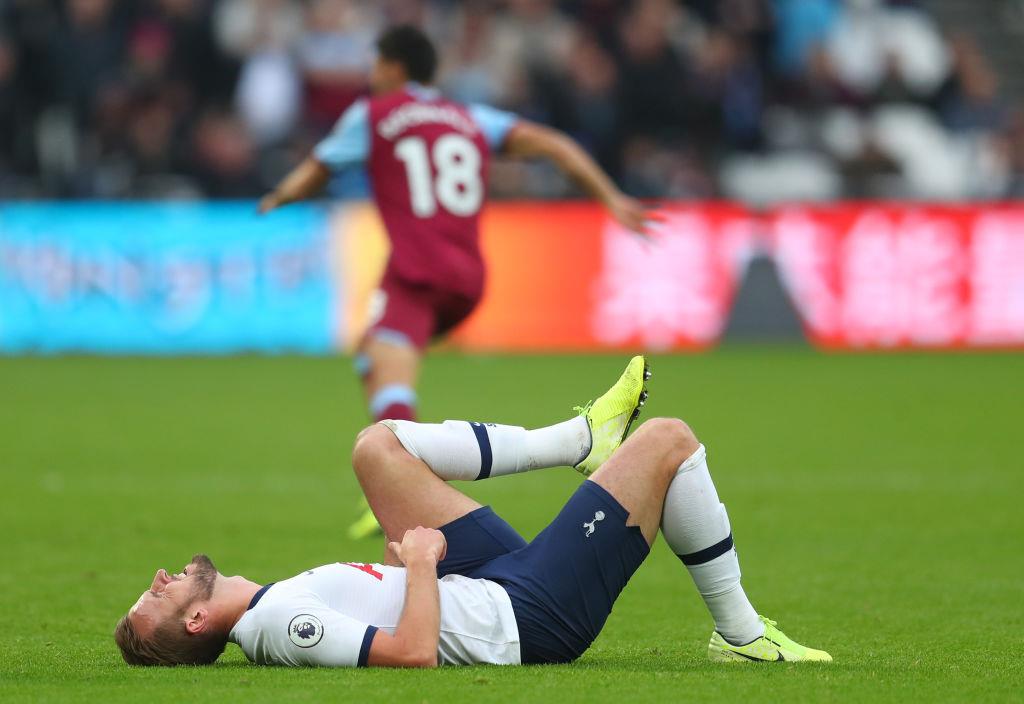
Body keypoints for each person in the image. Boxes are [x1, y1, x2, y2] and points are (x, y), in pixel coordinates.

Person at [114, 357, 831, 667]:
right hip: (525, 616)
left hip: (480, 580)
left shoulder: (268, 609)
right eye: (159, 598)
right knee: (670, 441)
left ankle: (578, 439)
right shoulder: (278, 629)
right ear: (198, 623)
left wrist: (410, 572)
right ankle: (739, 635)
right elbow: (413, 656)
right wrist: (420, 565)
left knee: (376, 448)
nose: (159, 577)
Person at [258, 25, 654, 538]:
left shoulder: (374, 115)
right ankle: (396, 471)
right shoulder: (470, 116)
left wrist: (279, 197)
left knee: (385, 364)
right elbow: (552, 144)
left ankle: (395, 484)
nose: (372, 75)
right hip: (467, 281)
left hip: (414, 272)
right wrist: (609, 196)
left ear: (394, 68)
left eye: (377, 65)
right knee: (371, 356)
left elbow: (317, 170)